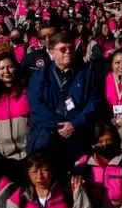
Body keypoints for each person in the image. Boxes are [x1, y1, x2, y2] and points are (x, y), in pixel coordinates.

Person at [26, 31, 104, 164]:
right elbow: (37, 106)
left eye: (71, 48)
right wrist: (61, 125)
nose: (68, 52)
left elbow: (94, 102)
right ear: (52, 52)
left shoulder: (87, 74)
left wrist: (74, 124)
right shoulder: (39, 77)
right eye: (63, 49)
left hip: (78, 138)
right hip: (47, 139)